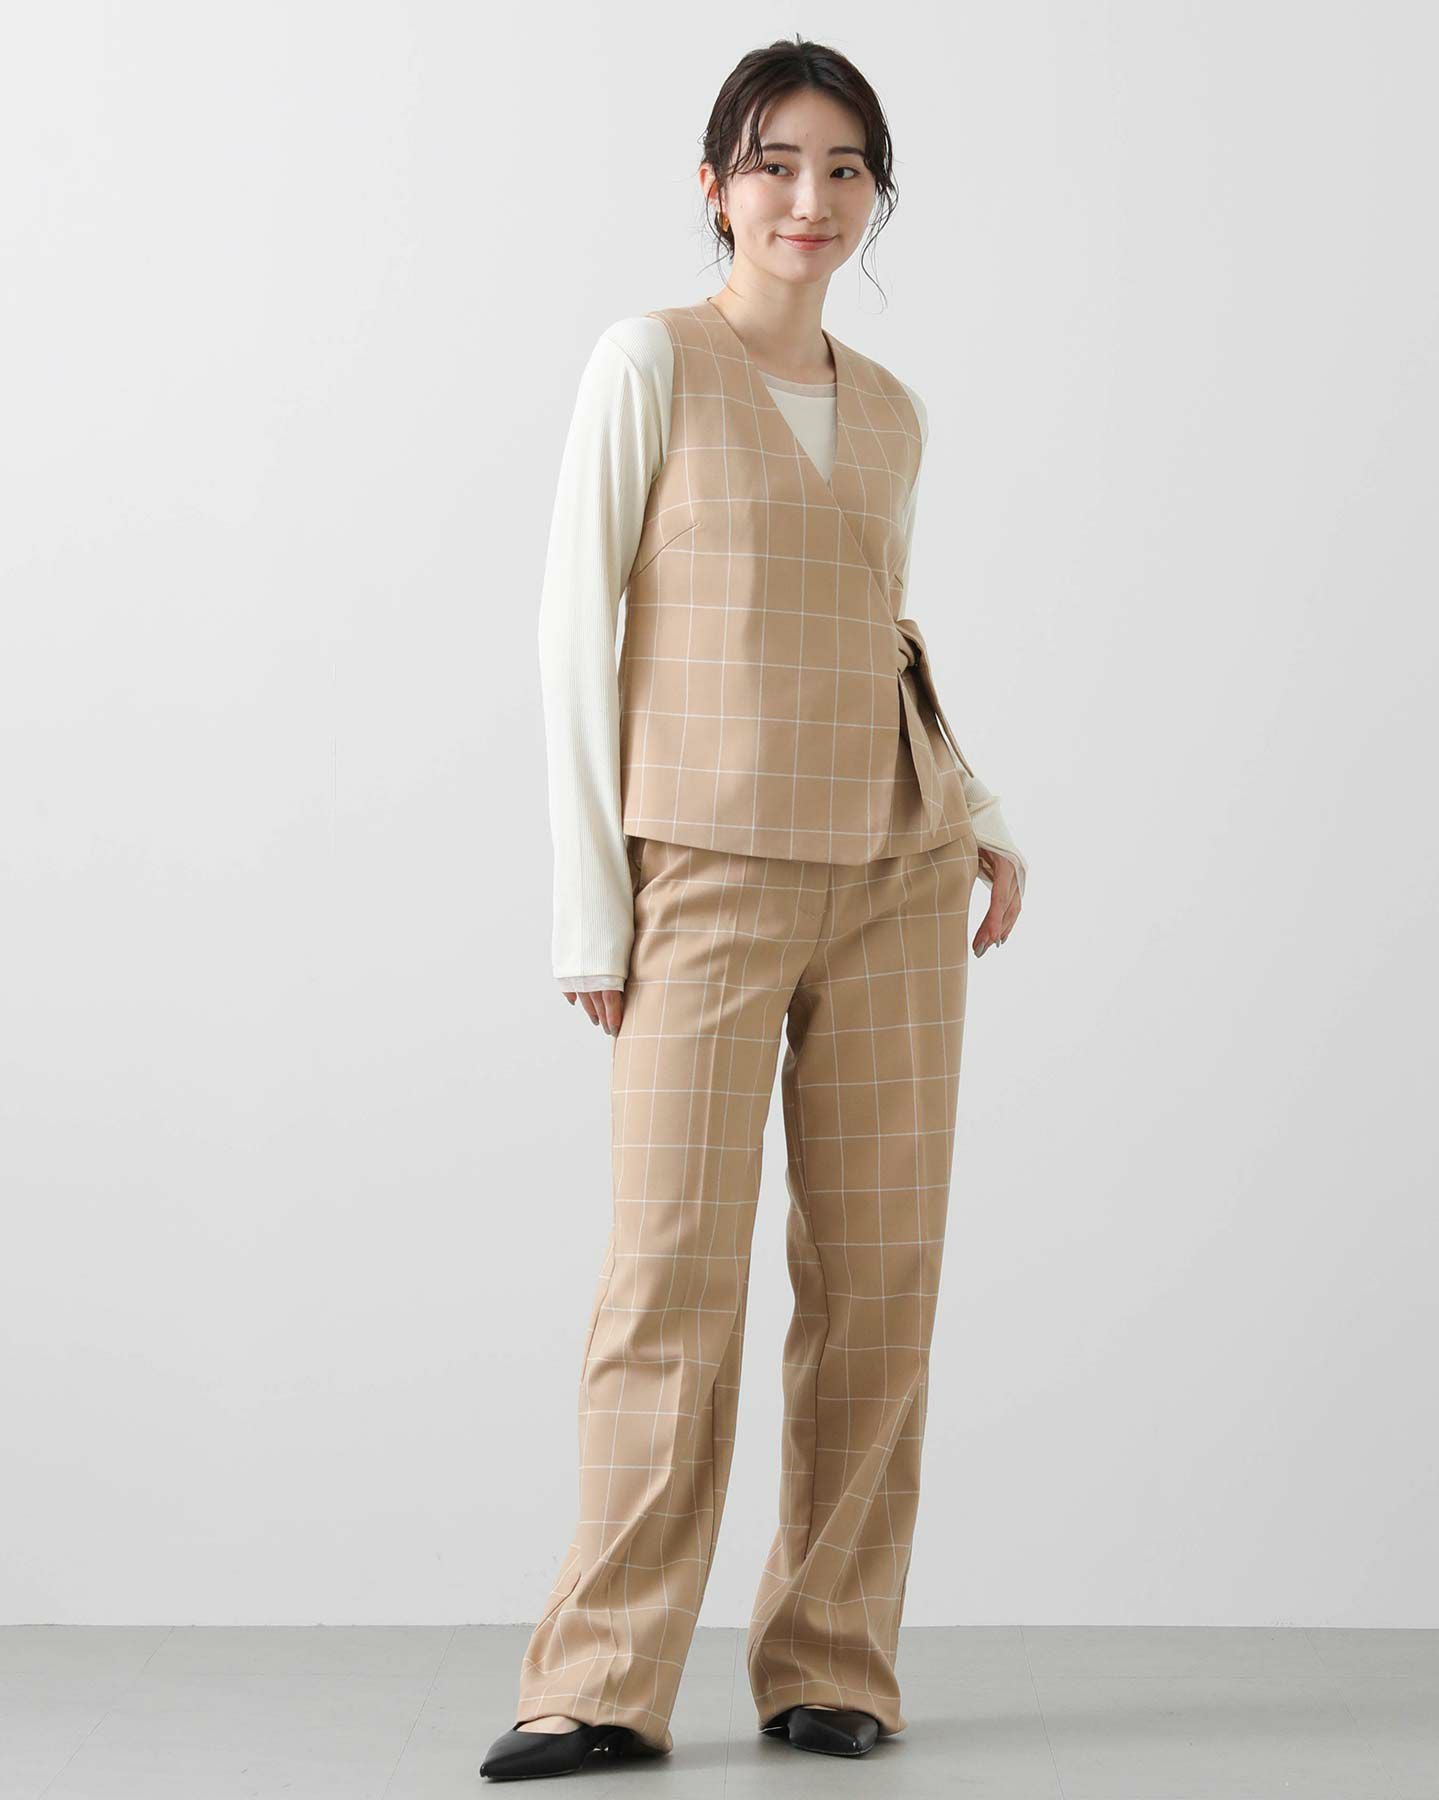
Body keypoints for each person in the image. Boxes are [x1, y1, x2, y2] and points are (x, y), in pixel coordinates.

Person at [481, 34, 1027, 1784]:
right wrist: (593, 910)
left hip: (896, 874)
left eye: (846, 168)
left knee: (878, 1280)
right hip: (703, 872)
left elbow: (882, 634)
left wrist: (980, 812)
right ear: (714, 184)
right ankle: (598, 1683)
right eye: (777, 162)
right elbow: (574, 628)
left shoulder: (896, 410)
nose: (812, 198)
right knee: (670, 1278)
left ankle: (834, 1663)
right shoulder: (649, 363)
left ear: (877, 197)